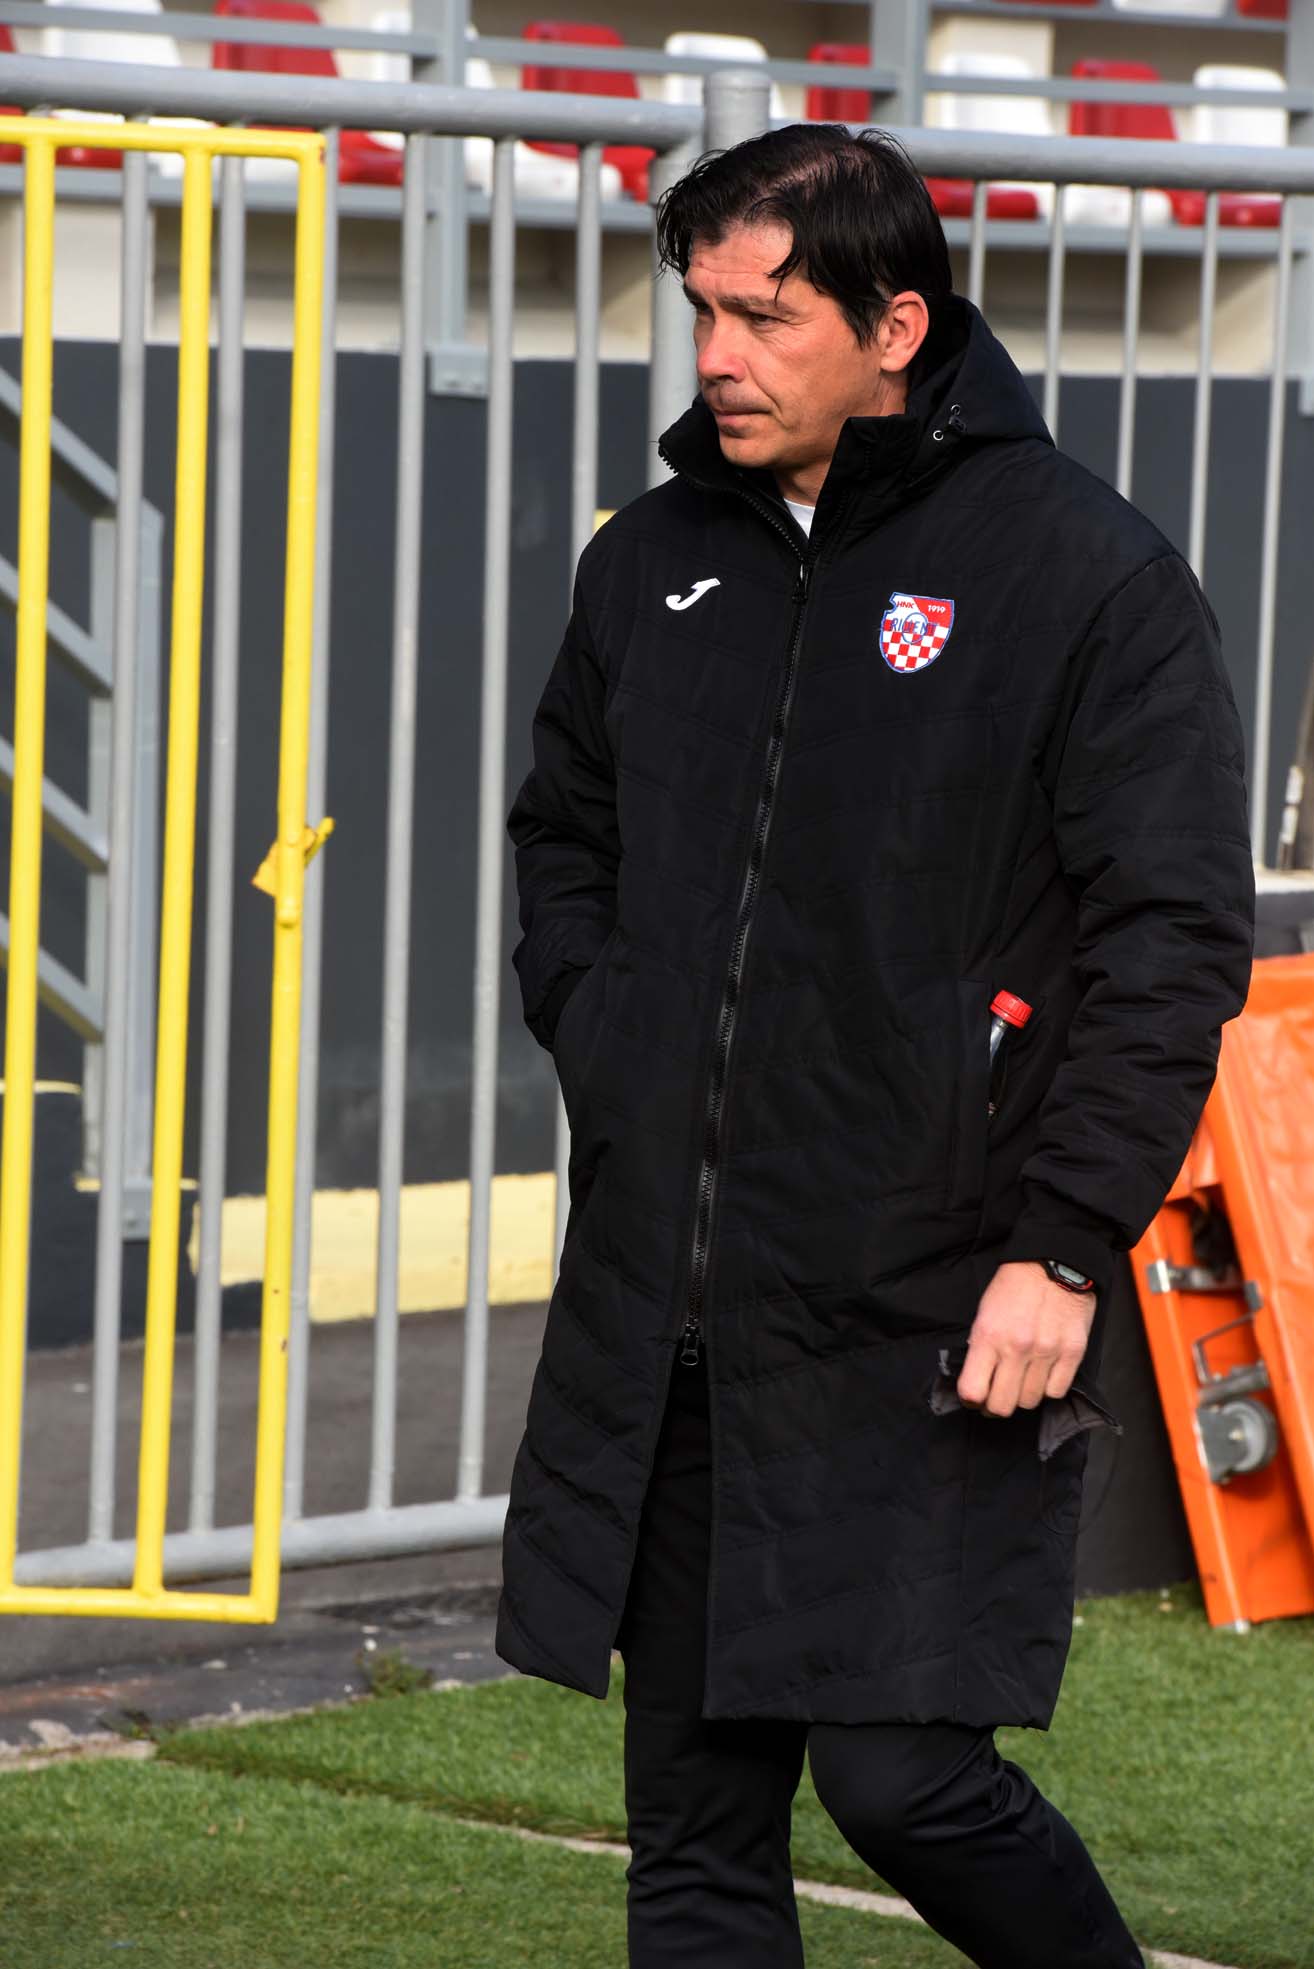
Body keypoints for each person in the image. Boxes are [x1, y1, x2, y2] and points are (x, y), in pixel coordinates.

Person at [495, 123, 1255, 1968]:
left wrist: (1060, 1242)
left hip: (932, 1296)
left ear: (895, 325)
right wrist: (612, 1033)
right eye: (702, 313)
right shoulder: (648, 560)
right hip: (671, 1302)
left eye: (764, 318)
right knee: (694, 1832)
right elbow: (563, 838)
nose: (717, 357)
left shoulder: (1080, 570)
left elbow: (1167, 937)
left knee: (905, 1775)